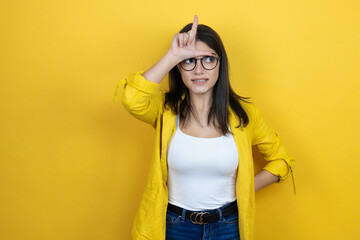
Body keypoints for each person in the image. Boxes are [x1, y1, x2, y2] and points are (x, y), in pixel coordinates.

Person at [113, 15, 295, 240]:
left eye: (208, 59)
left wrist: (245, 186)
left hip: (228, 226)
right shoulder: (166, 111)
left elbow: (282, 161)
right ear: (179, 68)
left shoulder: (244, 115)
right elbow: (132, 99)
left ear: (221, 64)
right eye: (189, 61)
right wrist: (173, 55)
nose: (198, 70)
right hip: (174, 226)